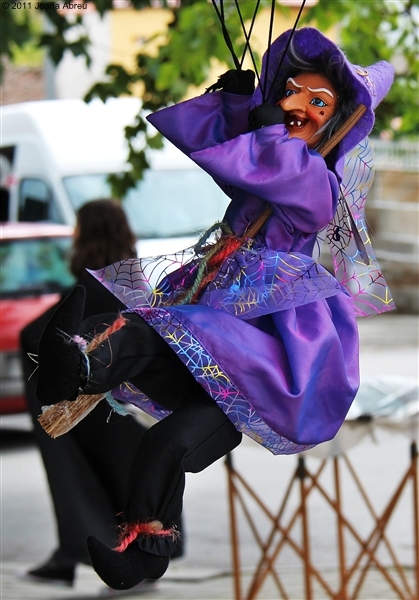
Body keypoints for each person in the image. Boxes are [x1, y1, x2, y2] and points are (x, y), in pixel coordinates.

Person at [34, 27, 394, 590]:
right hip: (225, 337)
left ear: (339, 121)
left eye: (317, 102)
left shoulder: (317, 184)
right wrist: (232, 103)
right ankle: (147, 549)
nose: (298, 105)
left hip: (267, 348)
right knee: (162, 438)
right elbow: (231, 152)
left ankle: (82, 365)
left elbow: (267, 164)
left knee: (172, 335)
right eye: (293, 91)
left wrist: (266, 122)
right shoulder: (273, 150)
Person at [20, 199, 184, 588]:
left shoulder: (94, 280)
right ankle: (133, 556)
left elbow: (44, 334)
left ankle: (89, 553)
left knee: (88, 476)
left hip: (96, 400)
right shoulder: (131, 276)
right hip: (130, 398)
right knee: (132, 477)